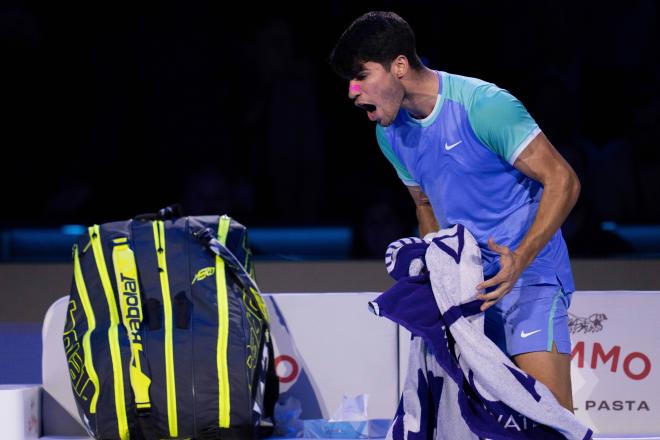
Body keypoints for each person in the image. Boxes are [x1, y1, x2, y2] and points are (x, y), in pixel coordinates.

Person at [329, 11, 580, 411]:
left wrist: (520, 259)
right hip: (467, 290)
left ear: (399, 66)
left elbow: (563, 180)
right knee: (477, 423)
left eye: (361, 76)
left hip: (529, 278)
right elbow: (424, 203)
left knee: (549, 418)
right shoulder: (388, 134)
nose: (352, 91)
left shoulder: (485, 106)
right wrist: (440, 274)